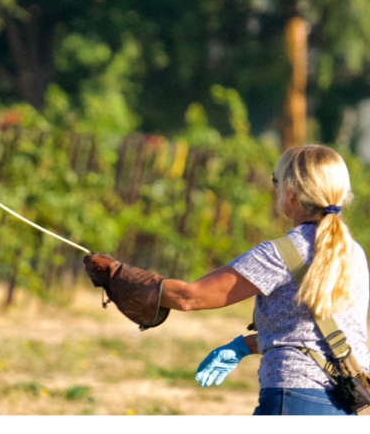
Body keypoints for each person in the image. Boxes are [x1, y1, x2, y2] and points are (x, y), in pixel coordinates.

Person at [84, 145, 369, 416]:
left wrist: (117, 274)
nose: (276, 189)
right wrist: (244, 345)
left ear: (291, 192)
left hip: (292, 397)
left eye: (276, 181)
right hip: (346, 402)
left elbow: (190, 297)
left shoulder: (281, 253)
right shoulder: (353, 253)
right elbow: (309, 332)